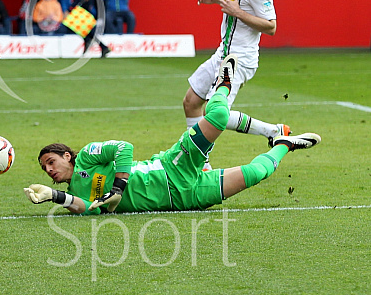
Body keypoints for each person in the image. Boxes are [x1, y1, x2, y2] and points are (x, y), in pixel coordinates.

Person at [24, 55, 322, 215]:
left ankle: (222, 83)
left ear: (67, 155)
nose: (49, 170)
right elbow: (84, 208)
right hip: (185, 199)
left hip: (172, 168)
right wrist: (53, 196)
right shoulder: (75, 193)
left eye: (50, 161)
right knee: (257, 173)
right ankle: (282, 142)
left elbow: (124, 149)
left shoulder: (88, 155)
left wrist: (117, 188)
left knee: (216, 115)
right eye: (44, 169)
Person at [186, 0, 288, 170]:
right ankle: (201, 161)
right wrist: (215, 0)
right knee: (191, 101)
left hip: (239, 60)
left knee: (215, 113)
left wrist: (238, 13)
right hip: (223, 54)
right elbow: (234, 4)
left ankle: (273, 131)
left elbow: (271, 26)